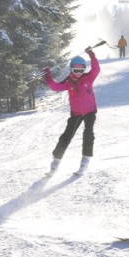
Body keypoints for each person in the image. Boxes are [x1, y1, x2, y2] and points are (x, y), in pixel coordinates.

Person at [44, 46, 101, 176]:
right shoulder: (68, 82)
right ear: (71, 69)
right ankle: (55, 163)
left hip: (90, 112)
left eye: (81, 70)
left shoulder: (88, 78)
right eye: (76, 70)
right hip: (76, 113)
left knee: (88, 134)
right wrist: (48, 76)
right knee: (66, 136)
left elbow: (96, 69)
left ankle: (84, 162)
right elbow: (55, 87)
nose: (78, 73)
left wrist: (92, 56)